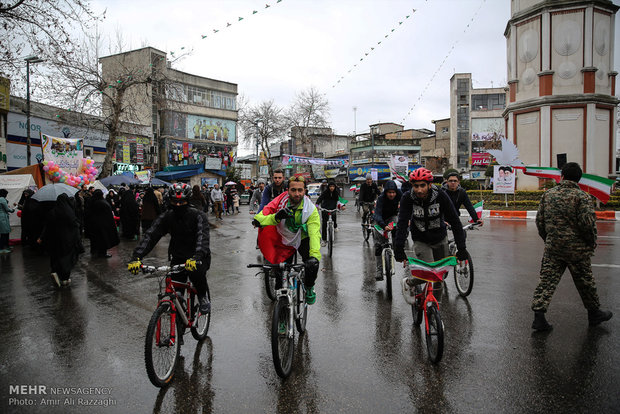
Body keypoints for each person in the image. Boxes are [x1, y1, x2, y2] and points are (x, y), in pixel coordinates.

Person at [531, 162, 612, 331]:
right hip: (577, 249)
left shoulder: (548, 195)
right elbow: (587, 224)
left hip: (554, 248)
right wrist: (591, 243)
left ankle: (539, 317)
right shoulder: (581, 196)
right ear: (579, 178)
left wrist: (549, 239)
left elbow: (540, 221)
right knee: (585, 282)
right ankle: (594, 314)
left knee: (546, 281)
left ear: (562, 176)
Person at [128, 183, 212, 318]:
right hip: (178, 256)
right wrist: (136, 256)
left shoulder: (198, 216)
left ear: (188, 200)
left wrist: (197, 256)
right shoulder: (167, 216)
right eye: (175, 202)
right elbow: (151, 235)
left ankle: (203, 297)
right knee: (176, 294)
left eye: (182, 202)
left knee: (197, 275)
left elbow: (203, 239)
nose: (178, 205)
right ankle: (179, 323)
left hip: (198, 256)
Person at [394, 168, 469, 298]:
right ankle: (409, 282)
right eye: (416, 186)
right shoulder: (407, 198)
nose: (419, 190)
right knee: (429, 274)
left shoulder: (440, 195)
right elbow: (401, 224)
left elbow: (455, 222)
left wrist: (462, 248)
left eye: (422, 185)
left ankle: (436, 310)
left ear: (429, 185)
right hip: (421, 240)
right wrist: (398, 249)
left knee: (440, 276)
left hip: (440, 238)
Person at [253, 176, 320, 304]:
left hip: (303, 237)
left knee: (312, 264)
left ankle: (309, 287)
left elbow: (314, 235)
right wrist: (276, 217)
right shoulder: (279, 201)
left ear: (305, 191)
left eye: (300, 190)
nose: (297, 194)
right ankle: (281, 313)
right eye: (293, 190)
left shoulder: (311, 210)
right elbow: (261, 216)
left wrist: (314, 256)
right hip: (283, 239)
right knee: (280, 275)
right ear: (287, 190)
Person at [38, 193, 81, 287]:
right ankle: (65, 278)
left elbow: (47, 226)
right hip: (67, 240)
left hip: (54, 239)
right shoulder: (69, 212)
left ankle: (55, 271)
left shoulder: (52, 212)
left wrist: (41, 237)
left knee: (56, 256)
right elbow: (75, 225)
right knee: (67, 258)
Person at [372, 180, 402, 280]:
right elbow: (377, 214)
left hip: (392, 217)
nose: (392, 194)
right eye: (389, 192)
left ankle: (396, 248)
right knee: (379, 245)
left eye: (393, 192)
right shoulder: (381, 198)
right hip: (380, 220)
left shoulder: (399, 195)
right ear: (386, 192)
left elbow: (406, 205)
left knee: (398, 226)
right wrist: (384, 226)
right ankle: (379, 269)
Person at [84, 189, 120, 258]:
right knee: (103, 240)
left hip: (93, 226)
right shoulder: (102, 203)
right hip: (103, 226)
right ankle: (102, 253)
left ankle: (95, 251)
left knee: (95, 240)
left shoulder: (91, 202)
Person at [316, 180, 342, 247]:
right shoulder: (325, 192)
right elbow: (319, 199)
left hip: (333, 208)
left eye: (333, 186)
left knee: (334, 217)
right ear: (328, 187)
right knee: (324, 224)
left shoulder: (336, 193)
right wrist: (317, 206)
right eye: (330, 186)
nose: (332, 188)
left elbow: (339, 200)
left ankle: (335, 226)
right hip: (325, 208)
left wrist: (342, 206)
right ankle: (324, 240)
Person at [0, 188, 15, 253]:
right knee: (4, 233)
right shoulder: (2, 199)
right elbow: (7, 209)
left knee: (5, 232)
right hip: (3, 217)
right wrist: (12, 210)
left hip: (2, 217)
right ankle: (2, 248)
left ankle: (6, 246)